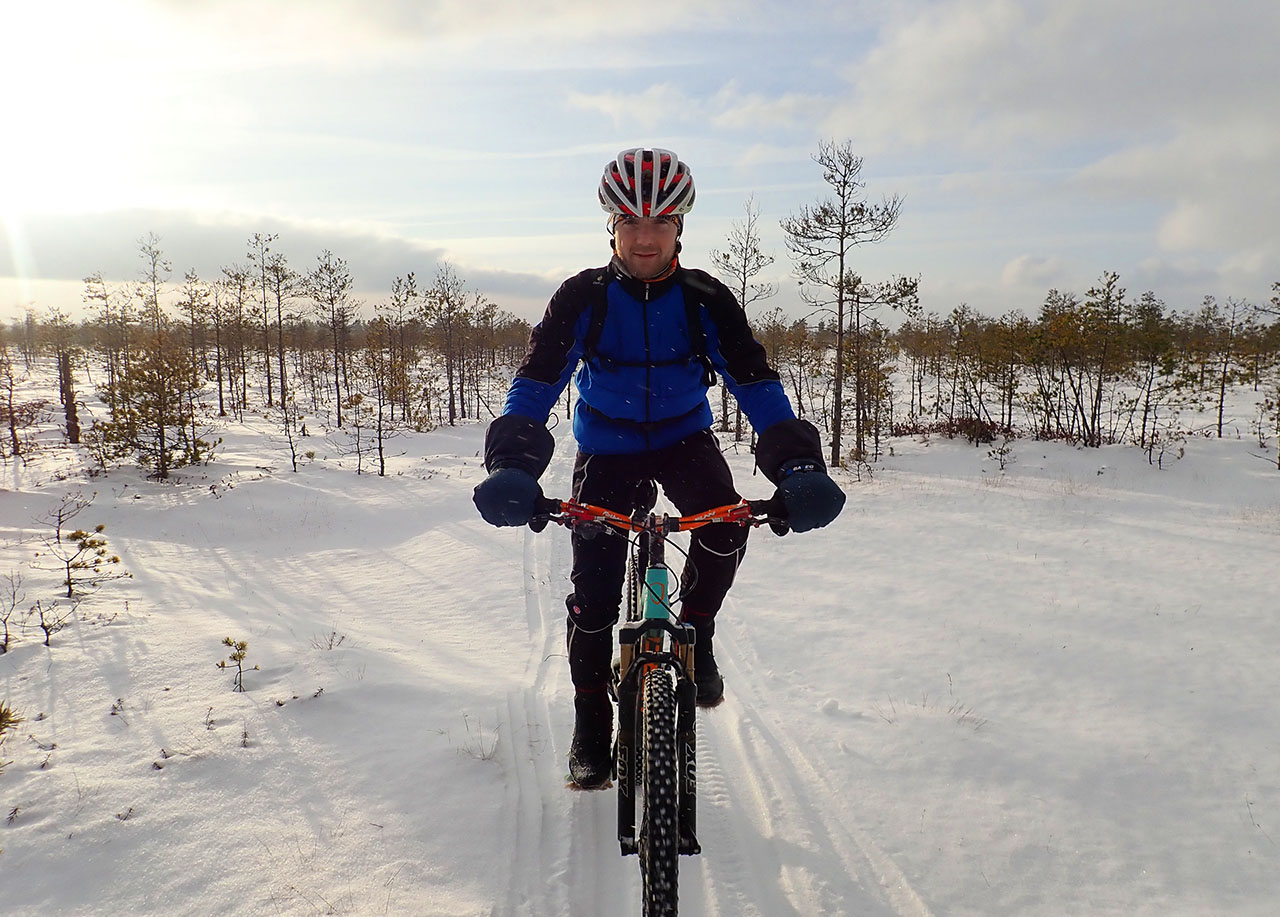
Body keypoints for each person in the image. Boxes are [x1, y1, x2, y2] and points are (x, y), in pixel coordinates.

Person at [473, 148, 845, 788]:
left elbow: (755, 383)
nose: (644, 239)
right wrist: (512, 462)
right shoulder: (584, 297)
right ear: (612, 226)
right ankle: (591, 720)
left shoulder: (705, 299)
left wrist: (798, 463)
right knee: (594, 593)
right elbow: (536, 381)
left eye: (660, 223)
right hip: (607, 446)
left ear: (680, 227)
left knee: (725, 526)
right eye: (630, 223)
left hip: (682, 439)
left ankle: (696, 632)